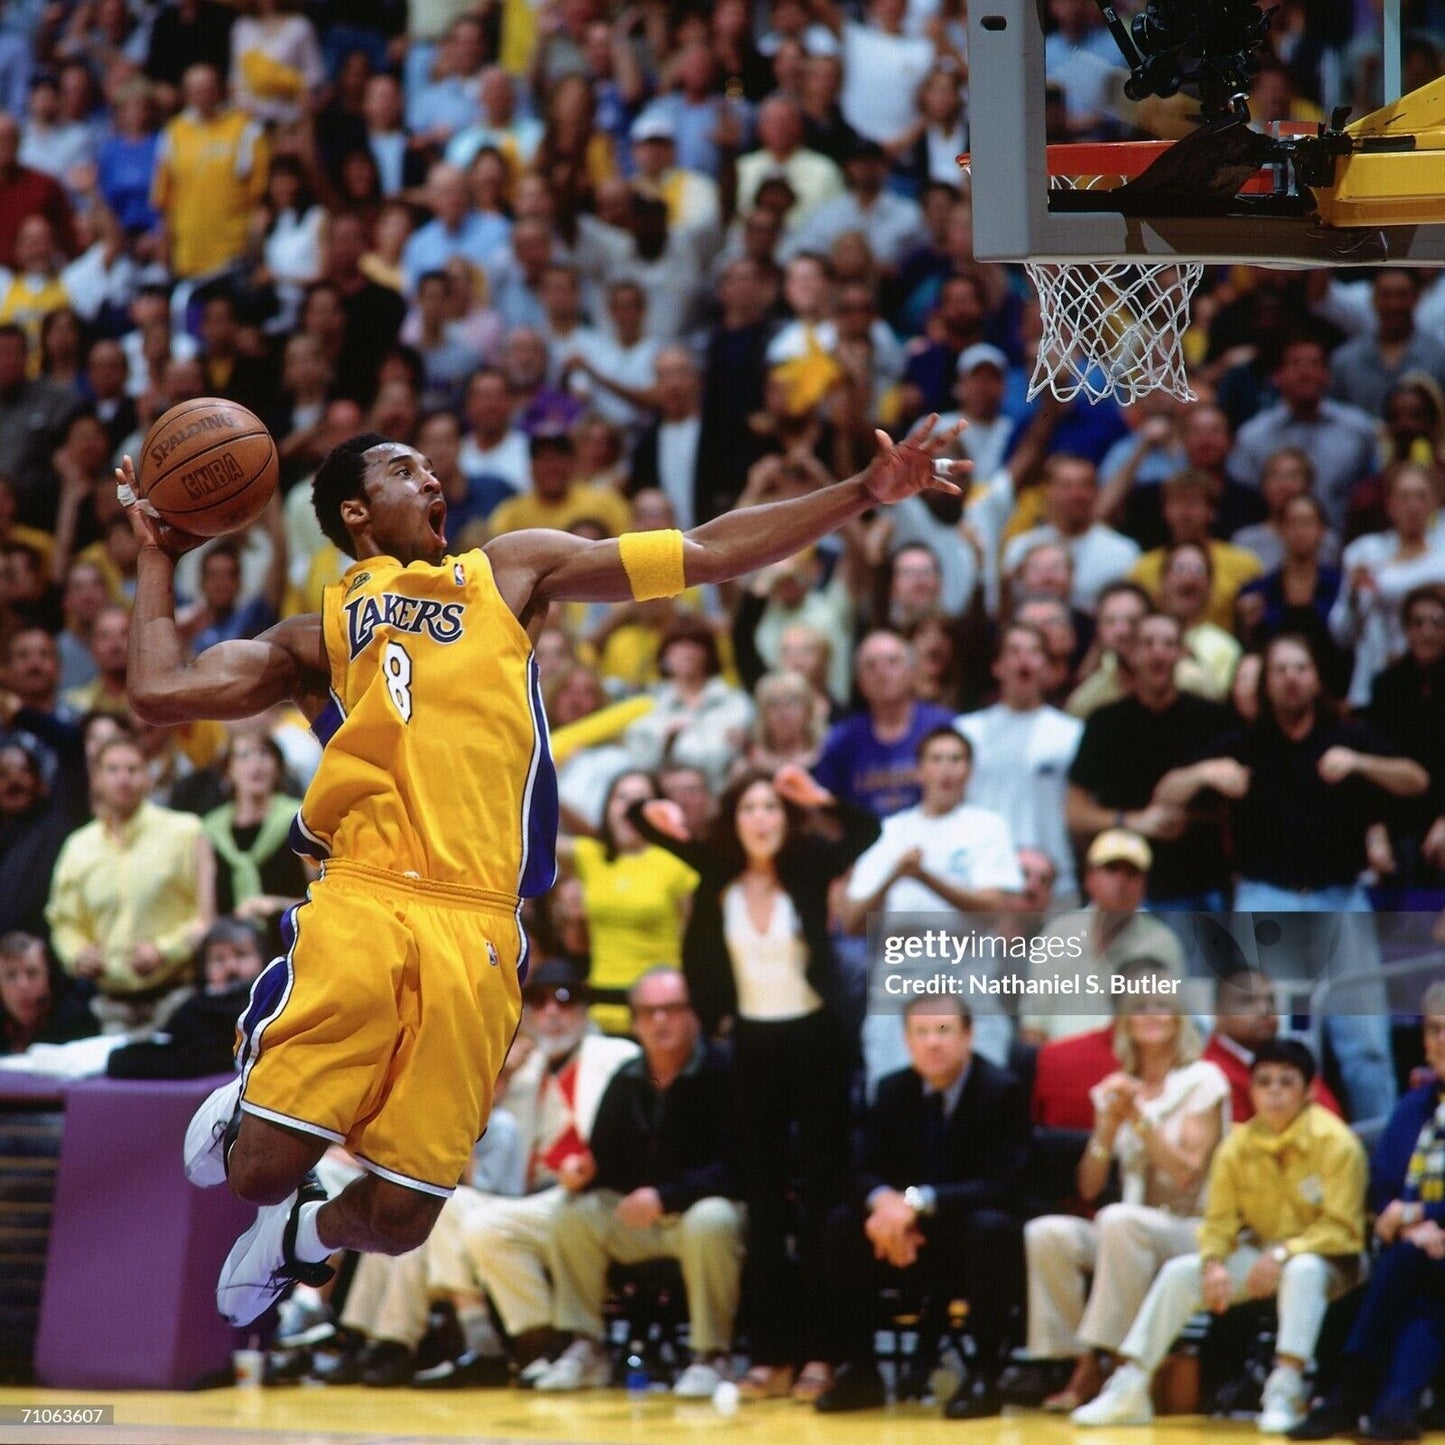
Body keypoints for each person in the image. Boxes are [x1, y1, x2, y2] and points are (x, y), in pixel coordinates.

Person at [120, 412, 966, 1326]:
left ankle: (306, 1235)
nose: (433, 478)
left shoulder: (507, 571)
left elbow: (705, 552)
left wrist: (860, 493)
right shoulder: (314, 634)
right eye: (405, 468)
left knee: (401, 1219)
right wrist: (158, 554)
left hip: (484, 920)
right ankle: (255, 1092)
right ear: (355, 510)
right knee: (255, 1172)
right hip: (367, 892)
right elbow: (159, 692)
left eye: (433, 466)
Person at [629, 765, 880, 1402]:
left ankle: (824, 1352)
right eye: (749, 809)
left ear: (785, 818)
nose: (761, 819)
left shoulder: (809, 866)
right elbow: (637, 820)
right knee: (763, 1204)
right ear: (733, 821)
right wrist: (659, 814)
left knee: (821, 1199)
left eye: (771, 807)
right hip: (752, 1047)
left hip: (817, 1042)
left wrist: (820, 796)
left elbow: (867, 830)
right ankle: (771, 1355)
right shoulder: (718, 873)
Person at [1157, 633, 1424, 1122]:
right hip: (1268, 901)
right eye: (1280, 670)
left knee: (1365, 1043)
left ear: (1316, 678)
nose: (1291, 679)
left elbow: (1416, 779)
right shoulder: (1245, 742)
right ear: (1265, 683)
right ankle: (1284, 1146)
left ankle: (1383, 1152)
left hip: (1341, 899)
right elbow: (1166, 793)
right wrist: (1205, 774)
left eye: (1301, 668)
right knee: (1281, 1042)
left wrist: (1361, 763)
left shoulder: (1346, 734)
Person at [1074, 1040, 1367, 1435]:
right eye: (1264, 1082)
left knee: (1303, 1271)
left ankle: (1284, 1388)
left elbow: (1343, 1229)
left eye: (1286, 1082)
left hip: (1333, 1258)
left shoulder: (1338, 1143)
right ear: (1252, 1089)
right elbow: (1218, 1223)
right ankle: (1131, 1384)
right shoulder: (1237, 1145)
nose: (1275, 1092)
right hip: (1264, 1253)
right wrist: (1213, 1262)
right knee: (1181, 1273)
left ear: (1309, 1091)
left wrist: (1284, 1254)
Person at [410, 961, 639, 1390]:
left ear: (584, 1010)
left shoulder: (613, 1057)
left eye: (565, 1001)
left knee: (486, 1226)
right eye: (539, 1001)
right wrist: (504, 1071)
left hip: (591, 1193)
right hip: (530, 1196)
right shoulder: (524, 1071)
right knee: (445, 1204)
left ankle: (540, 1344)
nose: (552, 1012)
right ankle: (488, 1340)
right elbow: (469, 1123)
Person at [1024, 964, 1230, 1414]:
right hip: (1131, 1227)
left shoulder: (1203, 1079)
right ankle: (1079, 1360)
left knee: (1119, 1221)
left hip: (1193, 1228)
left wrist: (1138, 1118)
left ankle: (1109, 1363)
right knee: (1047, 1233)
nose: (1151, 1014)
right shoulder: (1117, 1086)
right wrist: (1106, 1127)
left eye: (1162, 1004)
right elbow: (1089, 1187)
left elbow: (1187, 1173)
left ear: (1179, 1017)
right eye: (1140, 1005)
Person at [813, 996, 1030, 1418]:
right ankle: (861, 1371)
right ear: (907, 1041)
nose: (933, 1043)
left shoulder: (1002, 1090)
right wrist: (885, 1203)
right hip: (905, 1241)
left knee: (991, 1227)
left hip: (968, 1236)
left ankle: (984, 1376)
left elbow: (1006, 1185)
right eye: (921, 1033)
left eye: (944, 1031)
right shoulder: (892, 1090)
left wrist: (916, 1202)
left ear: (968, 1036)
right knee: (842, 1224)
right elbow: (859, 1172)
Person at [536, 967, 743, 1399]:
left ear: (693, 1015)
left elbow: (742, 1165)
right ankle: (586, 1345)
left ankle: (711, 1355)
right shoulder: (629, 1078)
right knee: (572, 1214)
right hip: (642, 1221)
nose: (660, 1021)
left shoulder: (726, 1071)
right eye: (649, 1012)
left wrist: (666, 1197)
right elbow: (606, 1160)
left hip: (701, 1213)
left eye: (672, 1009)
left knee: (712, 1219)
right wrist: (584, 1171)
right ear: (635, 1023)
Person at [1288, 986, 1445, 1443]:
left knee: (1408, 1270)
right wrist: (1410, 1225)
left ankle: (1352, 1390)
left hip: (1422, 1243)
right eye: (1434, 1030)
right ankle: (1394, 1408)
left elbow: (1404, 1205)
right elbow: (1382, 1183)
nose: (1441, 1041)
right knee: (1423, 1286)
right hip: (1420, 1250)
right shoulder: (1414, 1106)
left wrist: (1420, 1213)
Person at [841, 725, 1023, 1084]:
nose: (946, 769)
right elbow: (852, 922)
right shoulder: (889, 832)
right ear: (919, 771)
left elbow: (993, 907)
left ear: (969, 770)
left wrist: (924, 876)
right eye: (936, 759)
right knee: (894, 1104)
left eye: (956, 760)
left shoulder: (987, 827)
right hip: (897, 997)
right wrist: (895, 875)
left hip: (968, 992)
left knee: (976, 1103)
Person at [46, 734, 215, 1033]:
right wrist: (77, 953)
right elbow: (64, 922)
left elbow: (205, 919)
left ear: (148, 776)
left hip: (177, 1000)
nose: (123, 779)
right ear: (96, 779)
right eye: (112, 770)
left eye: (133, 769)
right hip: (108, 1006)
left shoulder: (186, 832)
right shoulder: (78, 846)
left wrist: (164, 950)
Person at [560, 770, 698, 1035]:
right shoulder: (591, 857)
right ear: (608, 807)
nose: (628, 807)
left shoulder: (678, 864)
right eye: (621, 797)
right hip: (600, 1011)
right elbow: (531, 839)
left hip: (659, 1014)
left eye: (640, 799)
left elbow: (691, 944)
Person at [957, 622, 1084, 901]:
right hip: (983, 881)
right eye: (1014, 651)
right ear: (997, 667)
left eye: (1034, 652)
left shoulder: (1073, 734)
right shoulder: (966, 731)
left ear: (1048, 668)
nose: (1024, 659)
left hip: (1054, 883)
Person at [1020, 829, 1184, 1045]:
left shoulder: (1162, 943)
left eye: (1132, 873)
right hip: (1059, 1056)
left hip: (1127, 1059)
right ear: (1089, 878)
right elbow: (1033, 1024)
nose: (1121, 881)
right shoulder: (1058, 933)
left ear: (1144, 884)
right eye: (1111, 869)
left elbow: (1170, 1025)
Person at [106, 917, 266, 1079]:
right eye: (219, 960)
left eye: (241, 955)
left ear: (263, 959)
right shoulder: (195, 1004)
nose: (231, 967)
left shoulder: (268, 1004)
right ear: (205, 968)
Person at [0, 931, 95, 1055]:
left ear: (49, 976)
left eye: (32, 973)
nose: (22, 986)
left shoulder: (77, 1021)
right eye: (11, 975)